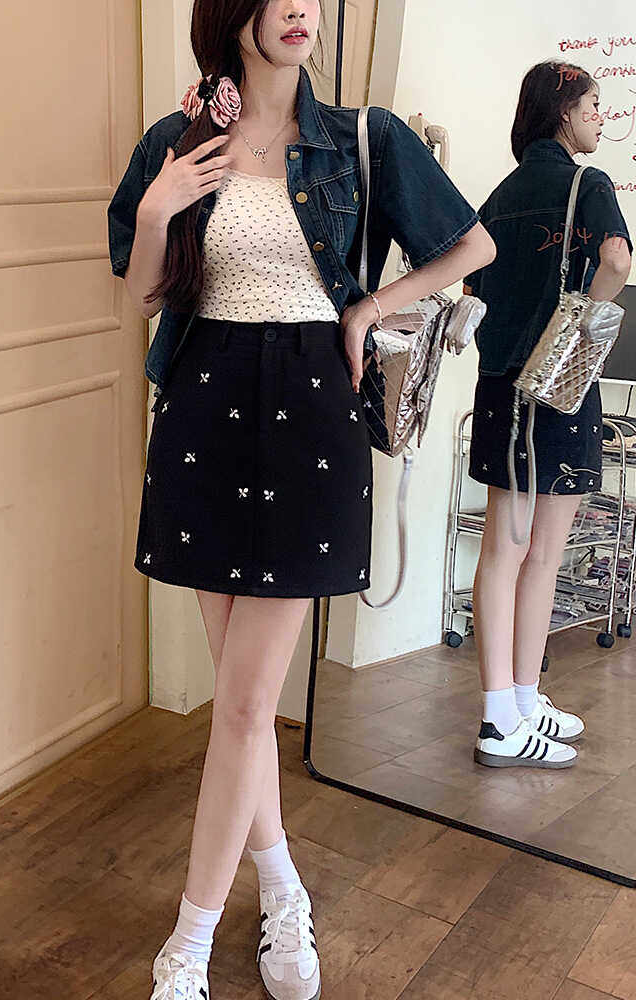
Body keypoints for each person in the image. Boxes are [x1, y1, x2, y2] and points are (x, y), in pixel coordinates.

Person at [108, 2, 494, 997]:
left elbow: (472, 247)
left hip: (311, 416)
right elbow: (139, 297)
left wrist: (369, 306)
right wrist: (155, 210)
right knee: (241, 710)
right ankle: (282, 888)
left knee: (241, 705)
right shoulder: (176, 140)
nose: (297, 9)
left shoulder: (365, 140)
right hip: (202, 409)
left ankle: (189, 943)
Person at [465, 61, 632, 770]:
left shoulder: (499, 196)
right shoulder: (587, 184)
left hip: (499, 388)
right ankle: (501, 718)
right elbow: (617, 260)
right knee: (540, 554)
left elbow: (471, 288)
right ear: (564, 111)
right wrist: (579, 330)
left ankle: (519, 702)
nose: (601, 117)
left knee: (503, 550)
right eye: (593, 104)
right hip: (559, 389)